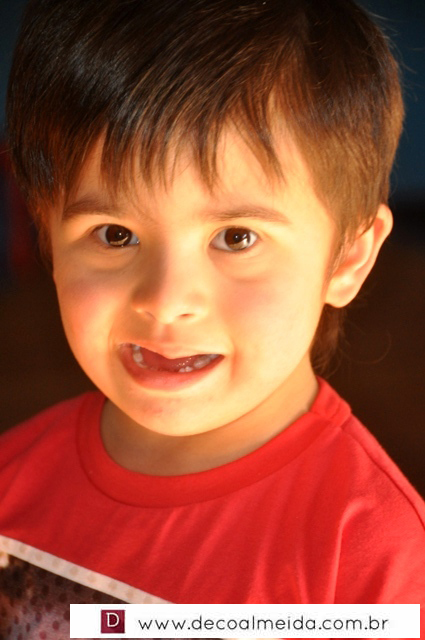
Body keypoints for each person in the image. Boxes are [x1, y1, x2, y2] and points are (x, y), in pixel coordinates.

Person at [0, 0, 424, 637]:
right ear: (49, 245)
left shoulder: (370, 556)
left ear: (347, 258)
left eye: (236, 238)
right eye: (115, 234)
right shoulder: (12, 480)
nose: (167, 300)